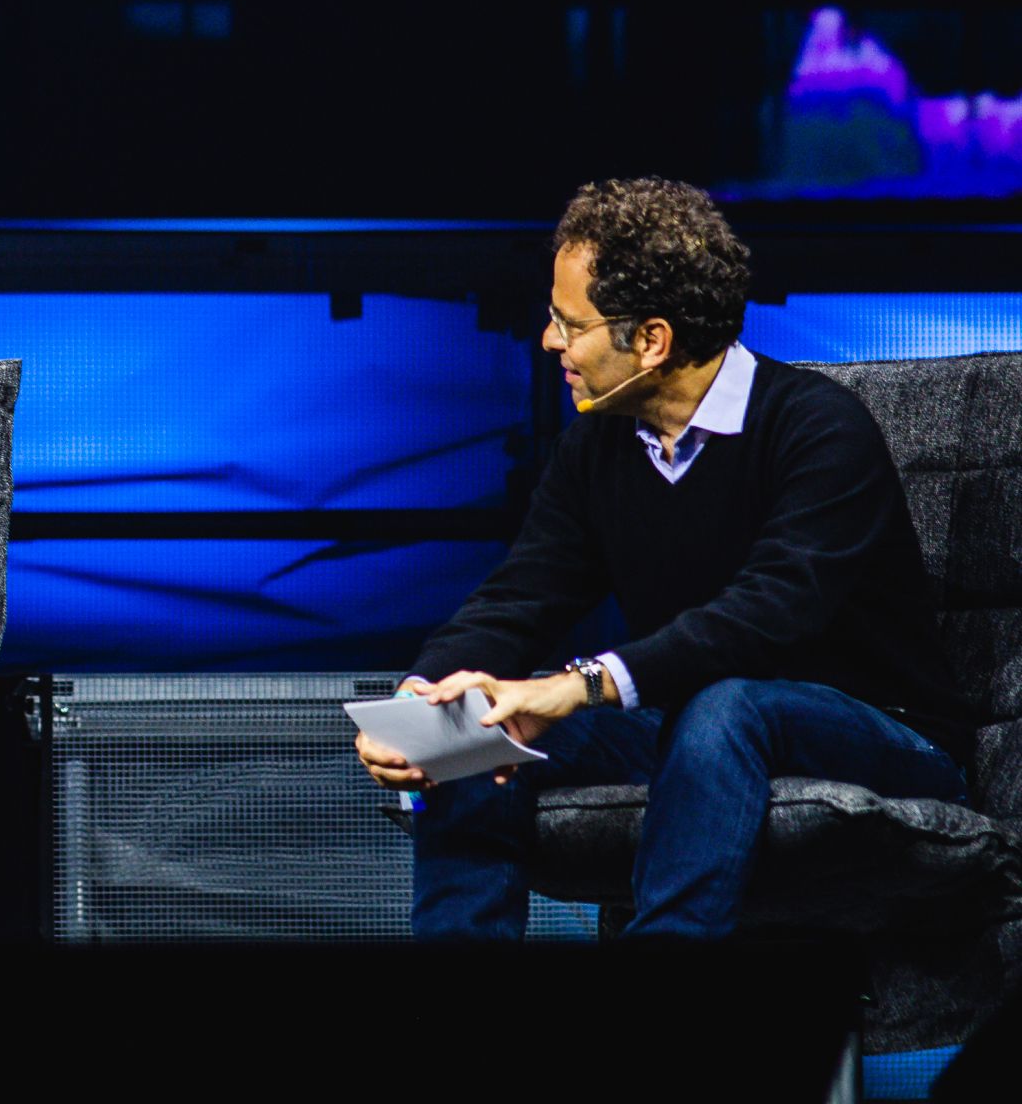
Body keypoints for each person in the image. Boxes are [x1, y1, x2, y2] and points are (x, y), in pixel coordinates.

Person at [355, 177, 973, 941]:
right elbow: (519, 596)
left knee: (728, 702)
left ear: (651, 340)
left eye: (567, 322)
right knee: (480, 725)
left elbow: (768, 615)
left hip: (887, 736)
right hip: (689, 727)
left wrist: (579, 686)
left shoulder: (816, 428)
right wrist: (425, 706)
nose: (549, 341)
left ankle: (657, 1019)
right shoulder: (599, 446)